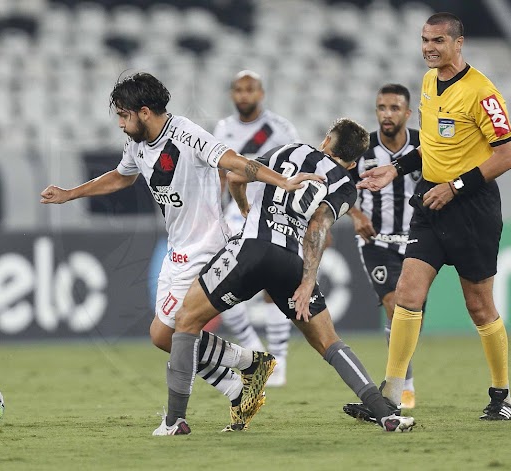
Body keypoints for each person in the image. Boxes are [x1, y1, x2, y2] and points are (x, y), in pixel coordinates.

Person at [40, 72, 311, 432]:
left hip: (207, 248)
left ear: (145, 111)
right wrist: (70, 193)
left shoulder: (186, 134)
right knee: (162, 336)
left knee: (174, 332)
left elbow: (233, 161)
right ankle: (242, 375)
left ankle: (180, 417)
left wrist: (282, 181)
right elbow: (123, 176)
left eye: (124, 115)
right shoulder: (138, 143)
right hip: (178, 250)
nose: (121, 123)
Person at [154, 118, 416, 435]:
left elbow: (236, 176)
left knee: (185, 322)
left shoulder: (289, 149)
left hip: (250, 252)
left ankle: (175, 421)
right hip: (290, 262)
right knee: (329, 342)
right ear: (354, 160)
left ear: (327, 140)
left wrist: (247, 210)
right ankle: (385, 415)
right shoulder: (346, 186)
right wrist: (307, 281)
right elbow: (319, 225)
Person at [344, 12, 511, 423]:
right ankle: (388, 395)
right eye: (424, 40)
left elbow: (506, 156)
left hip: (471, 208)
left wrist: (455, 186)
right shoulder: (427, 82)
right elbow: (433, 148)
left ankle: (501, 395)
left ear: (459, 43)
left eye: (438, 41)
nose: (429, 47)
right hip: (430, 202)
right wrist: (396, 169)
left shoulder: (483, 93)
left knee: (479, 305)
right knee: (407, 294)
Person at [213, 70, 300, 387]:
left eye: (250, 89)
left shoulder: (279, 128)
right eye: (238, 89)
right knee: (223, 283)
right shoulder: (223, 128)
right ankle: (254, 348)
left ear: (261, 93)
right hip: (234, 214)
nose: (244, 95)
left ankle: (280, 361)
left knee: (272, 289)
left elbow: (296, 169)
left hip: (271, 213)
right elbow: (219, 174)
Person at [347, 84, 421, 409]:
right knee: (394, 304)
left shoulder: (423, 145)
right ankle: (403, 386)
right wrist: (355, 213)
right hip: (375, 242)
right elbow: (341, 188)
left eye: (394, 108)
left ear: (407, 113)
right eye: (381, 107)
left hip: (417, 241)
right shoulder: (362, 150)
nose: (386, 114)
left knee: (409, 314)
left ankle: (401, 381)